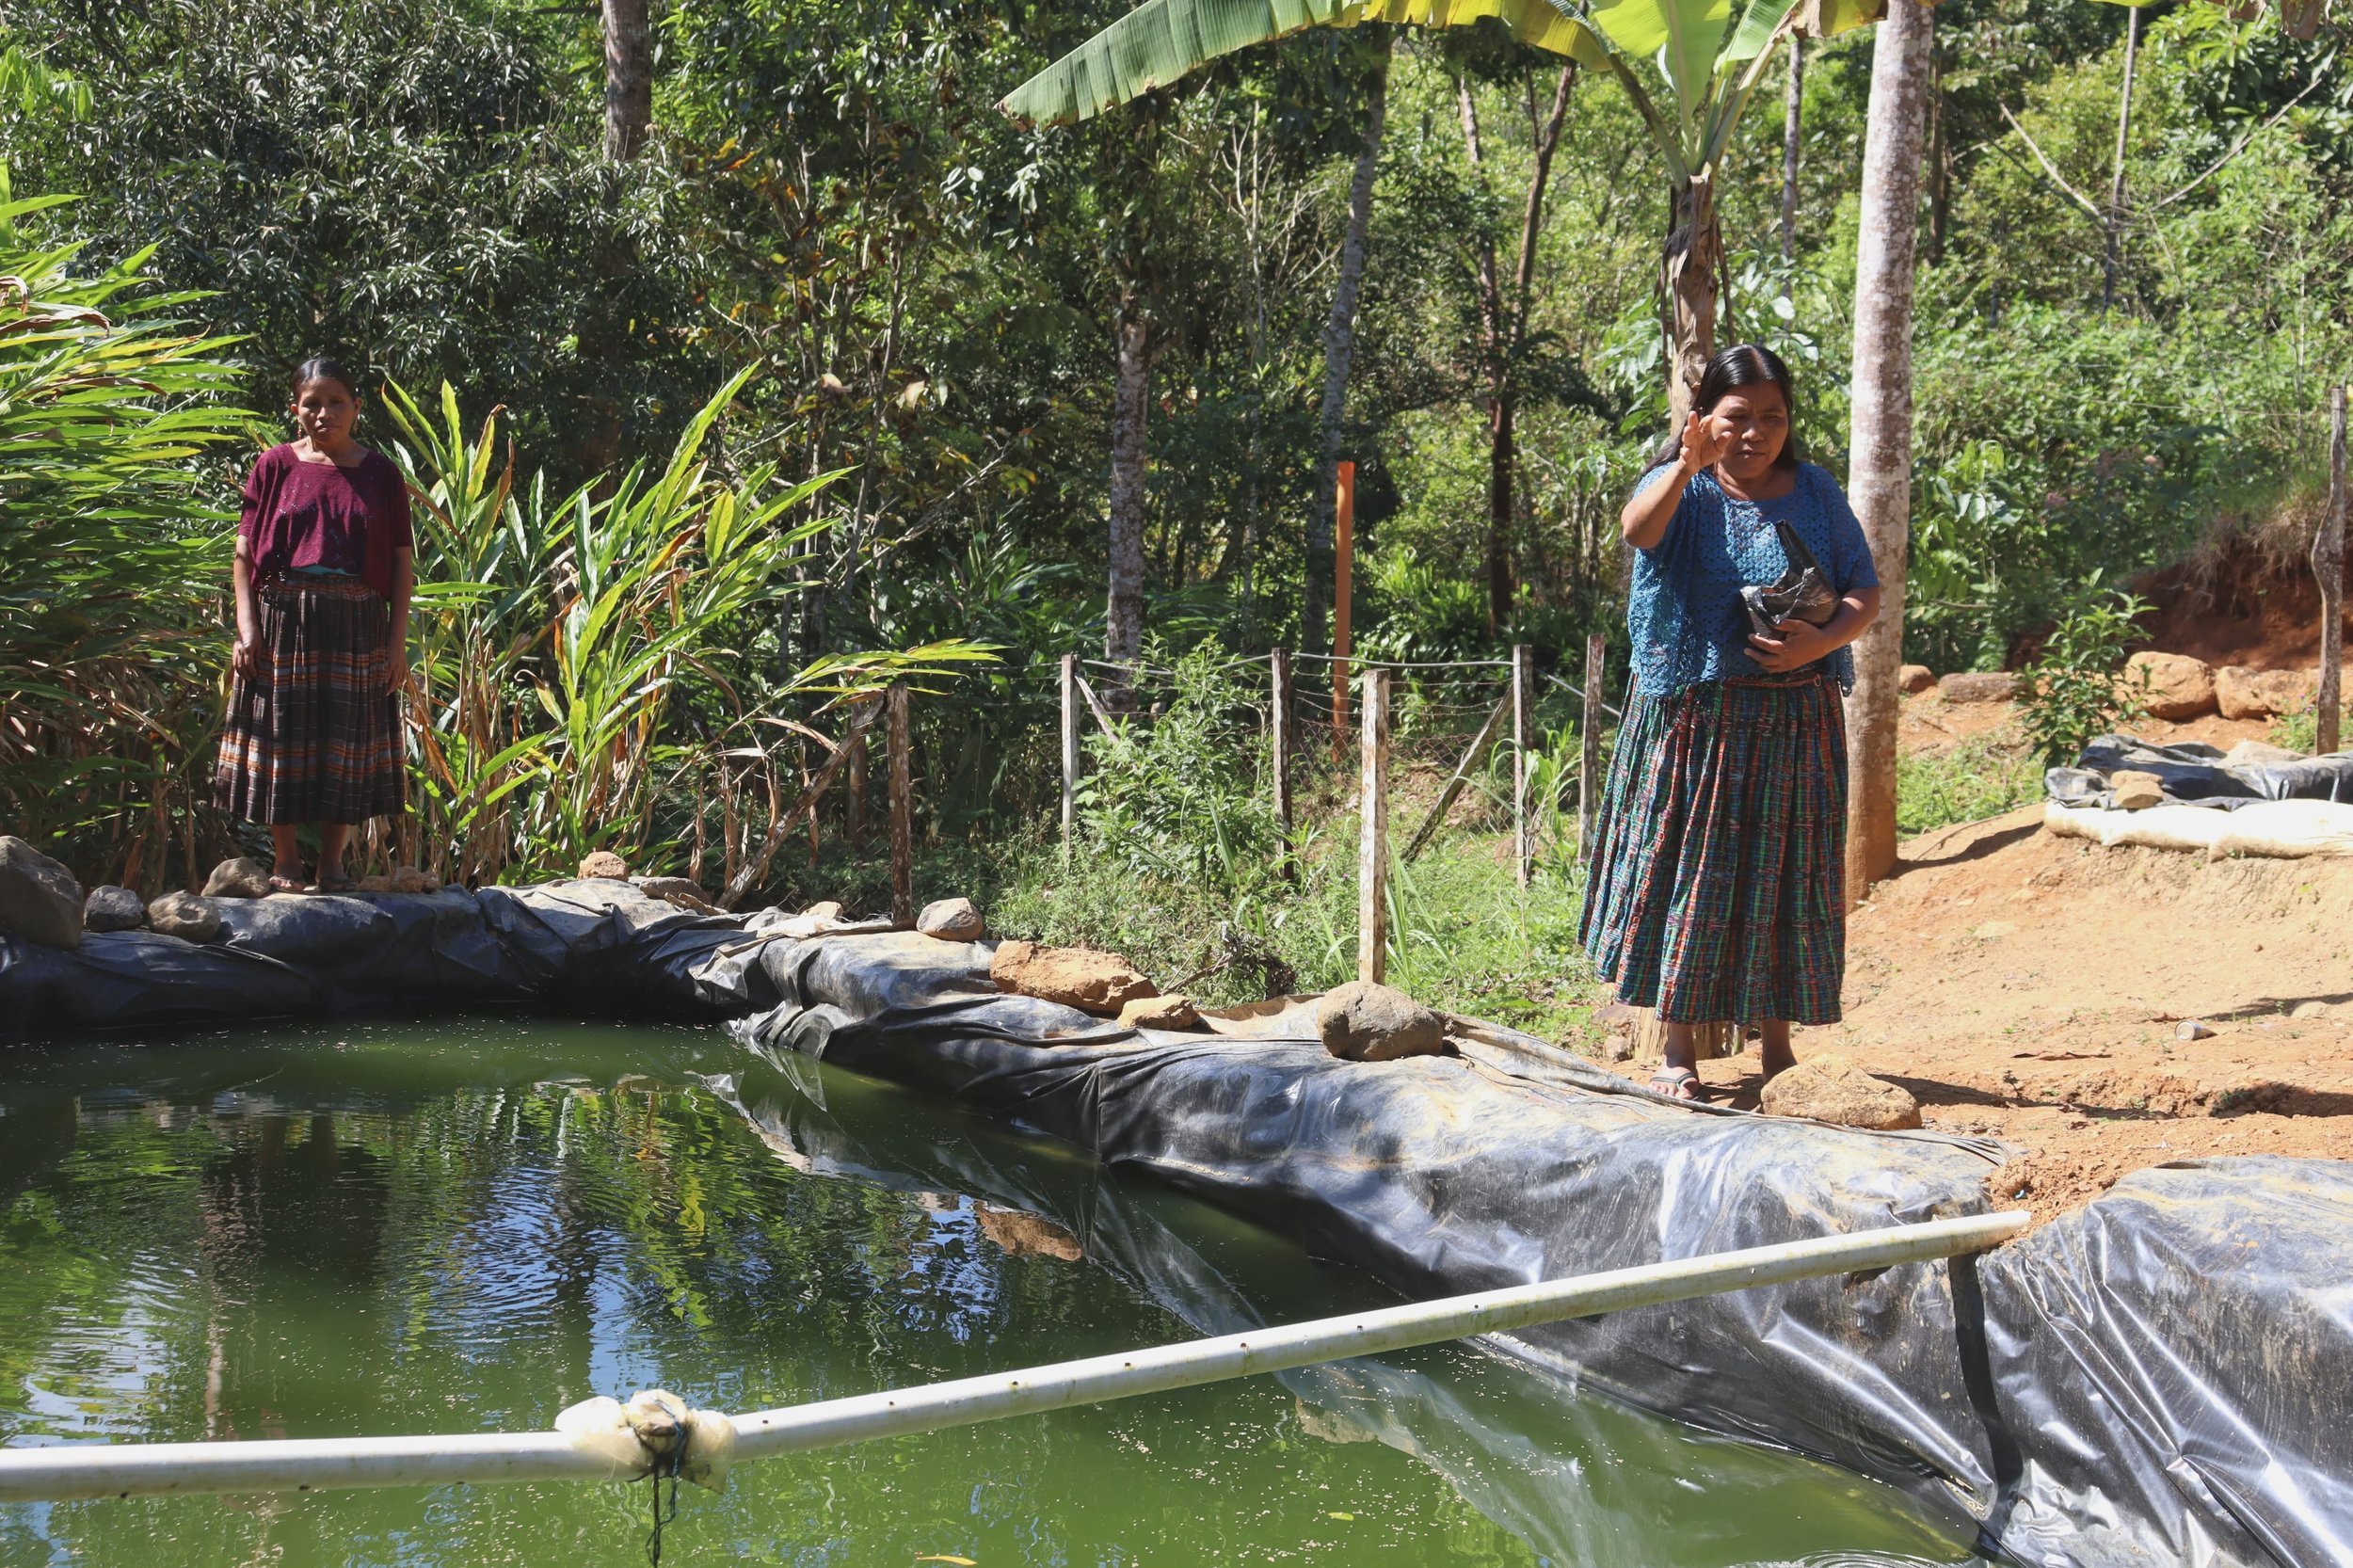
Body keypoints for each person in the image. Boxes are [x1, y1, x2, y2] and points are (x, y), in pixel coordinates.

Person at [1580, 344, 1882, 1100]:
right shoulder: (1683, 489)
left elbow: (1863, 590)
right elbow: (1637, 531)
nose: (1756, 434)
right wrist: (1684, 465)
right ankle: (1677, 1053)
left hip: (1796, 720)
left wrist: (1821, 640)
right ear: (1704, 418)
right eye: (1737, 417)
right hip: (1700, 721)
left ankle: (1777, 1051)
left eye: (1772, 418)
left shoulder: (1814, 489)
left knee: (1784, 880)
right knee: (1694, 877)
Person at [215, 358, 413, 892]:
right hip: (284, 619)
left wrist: (396, 644)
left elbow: (400, 564)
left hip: (357, 621)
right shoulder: (274, 466)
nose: (324, 413)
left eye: (337, 402)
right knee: (284, 736)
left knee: (344, 740)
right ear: (295, 409)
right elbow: (243, 556)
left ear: (357, 407)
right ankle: (284, 863)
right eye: (312, 403)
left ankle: (331, 865)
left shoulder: (381, 474)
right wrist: (247, 630)